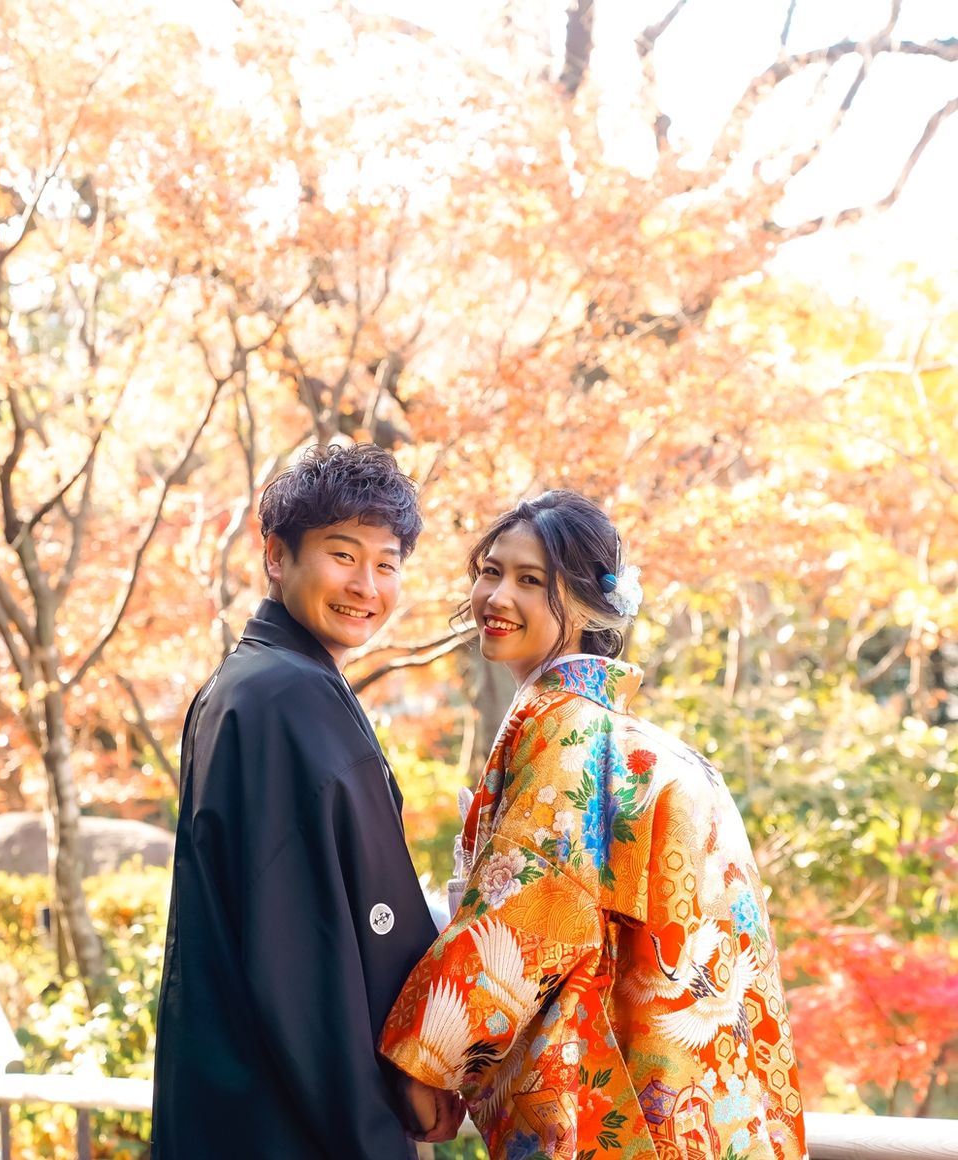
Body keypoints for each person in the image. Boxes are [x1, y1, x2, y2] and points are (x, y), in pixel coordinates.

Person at [380, 490, 807, 1160]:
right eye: (490, 571)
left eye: (530, 581)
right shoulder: (632, 740)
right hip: (702, 1097)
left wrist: (425, 1058)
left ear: (585, 604)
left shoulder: (567, 728)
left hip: (628, 1098)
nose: (497, 596)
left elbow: (532, 911)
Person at [151, 442, 462, 1159]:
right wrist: (410, 1074)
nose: (366, 585)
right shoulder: (285, 696)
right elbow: (307, 946)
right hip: (288, 1121)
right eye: (342, 554)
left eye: (386, 564)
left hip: (236, 1105)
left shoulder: (253, 683)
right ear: (275, 555)